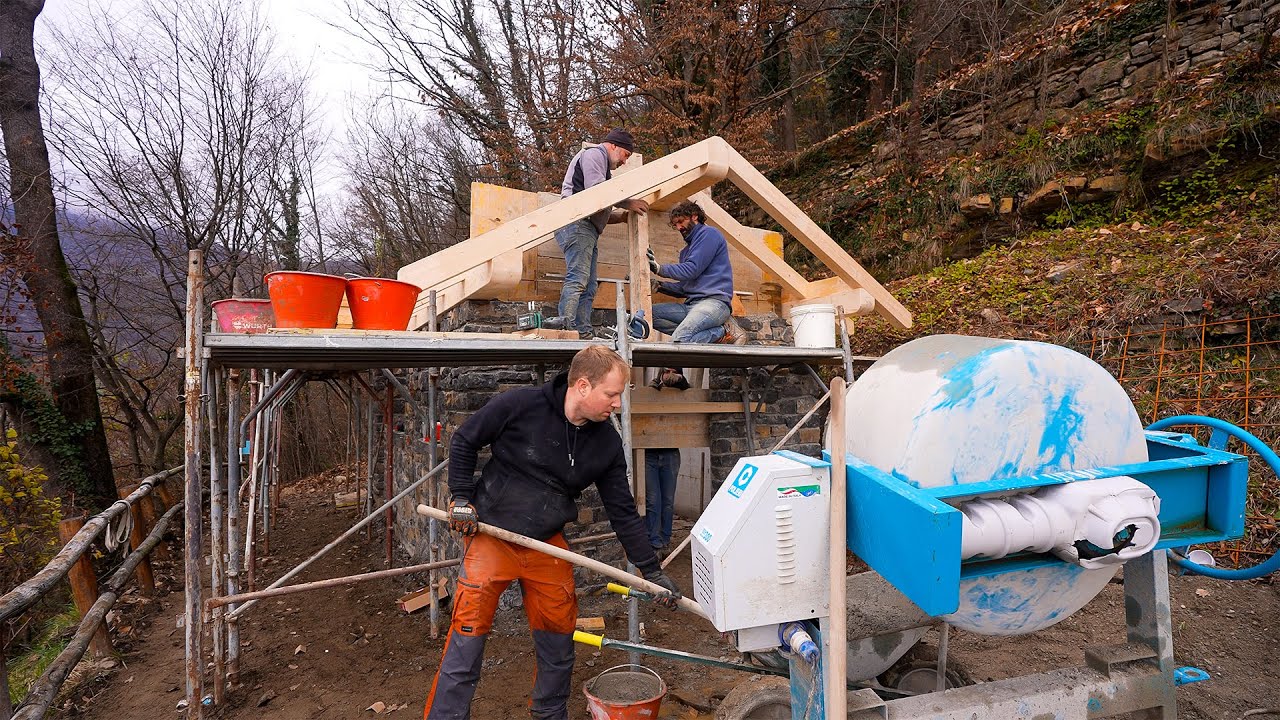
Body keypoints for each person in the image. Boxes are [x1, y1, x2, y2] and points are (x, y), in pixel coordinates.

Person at [424, 345, 681, 720]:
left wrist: (651, 571)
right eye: (611, 395)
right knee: (468, 636)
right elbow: (465, 439)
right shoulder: (521, 405)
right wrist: (461, 497)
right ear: (582, 386)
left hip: (547, 544)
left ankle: (549, 713)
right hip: (493, 535)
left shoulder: (606, 442)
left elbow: (622, 510)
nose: (616, 405)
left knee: (559, 639)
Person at [544, 129, 650, 339]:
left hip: (585, 227)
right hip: (575, 224)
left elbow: (594, 207)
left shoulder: (601, 165)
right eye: (625, 155)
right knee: (578, 279)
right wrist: (628, 203)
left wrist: (619, 217)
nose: (625, 161)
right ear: (613, 146)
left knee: (590, 285)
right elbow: (597, 193)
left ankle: (582, 331)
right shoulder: (593, 154)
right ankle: (566, 329)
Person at [646, 200, 745, 344]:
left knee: (680, 338)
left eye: (681, 221)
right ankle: (718, 333)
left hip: (714, 304)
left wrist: (659, 269)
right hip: (691, 305)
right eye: (675, 225)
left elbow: (691, 270)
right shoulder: (685, 251)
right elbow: (685, 287)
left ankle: (723, 331)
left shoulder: (709, 234)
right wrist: (660, 286)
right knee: (648, 316)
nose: (679, 227)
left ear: (694, 217)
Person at [644, 447, 681, 557]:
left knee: (668, 502)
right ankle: (654, 544)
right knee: (653, 501)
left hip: (671, 453)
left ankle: (665, 542)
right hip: (647, 453)